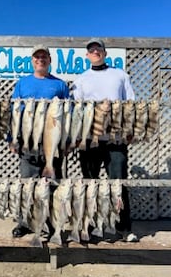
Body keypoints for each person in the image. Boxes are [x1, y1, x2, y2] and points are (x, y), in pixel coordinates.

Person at [72, 38, 138, 242]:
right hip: (90, 139)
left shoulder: (120, 75)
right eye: (91, 50)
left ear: (105, 53)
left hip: (116, 138)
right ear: (87, 55)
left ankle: (124, 228)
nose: (95, 52)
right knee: (89, 184)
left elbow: (131, 104)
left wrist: (130, 130)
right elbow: (76, 110)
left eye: (98, 49)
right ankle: (91, 227)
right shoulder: (81, 79)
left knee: (118, 183)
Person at [9, 44, 69, 237]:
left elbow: (70, 115)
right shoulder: (22, 84)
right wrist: (11, 138)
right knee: (27, 185)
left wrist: (67, 141)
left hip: (52, 143)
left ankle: (53, 224)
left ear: (50, 60)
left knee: (52, 186)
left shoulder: (60, 85)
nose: (40, 60)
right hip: (28, 143)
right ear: (32, 60)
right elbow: (13, 113)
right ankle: (25, 222)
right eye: (37, 57)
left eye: (44, 57)